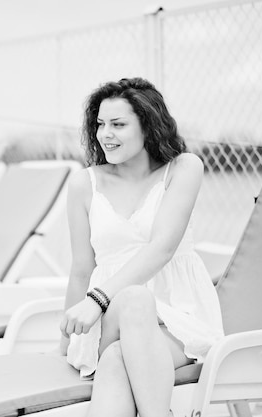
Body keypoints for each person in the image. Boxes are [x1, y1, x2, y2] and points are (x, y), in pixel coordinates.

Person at [59, 77, 224, 417]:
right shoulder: (83, 183)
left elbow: (162, 248)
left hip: (179, 321)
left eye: (118, 124)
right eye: (100, 124)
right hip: (109, 320)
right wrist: (64, 345)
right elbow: (80, 268)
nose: (105, 134)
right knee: (134, 299)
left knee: (119, 359)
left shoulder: (183, 168)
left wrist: (95, 299)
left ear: (148, 126)